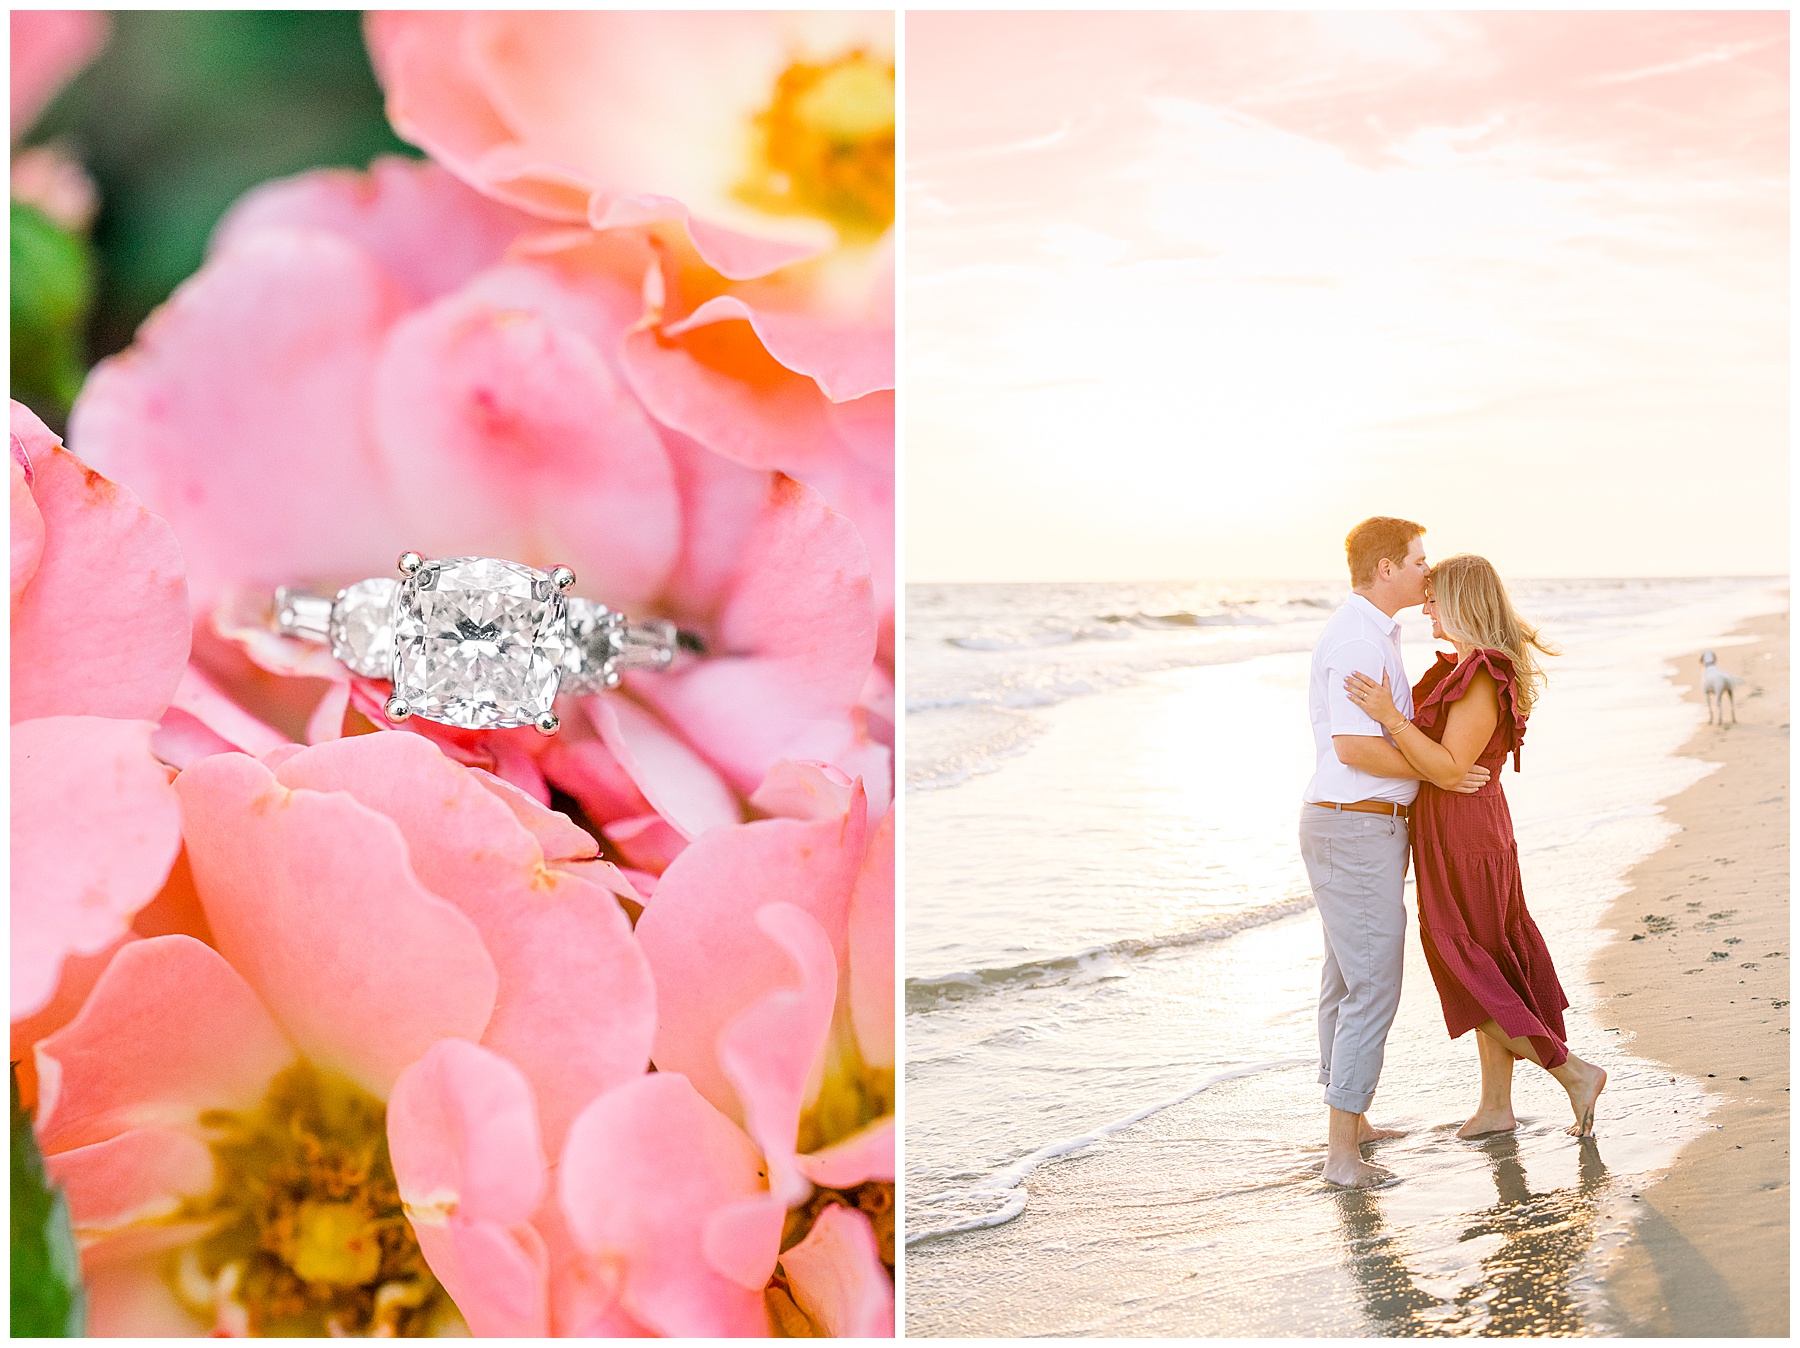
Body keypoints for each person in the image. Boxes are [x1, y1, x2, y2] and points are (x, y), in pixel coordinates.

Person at [1346, 553, 1607, 1139]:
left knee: (1464, 960)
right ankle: (1495, 1106)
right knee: (1485, 957)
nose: (1426, 607)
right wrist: (1432, 764)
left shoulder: (1483, 672)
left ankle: (1574, 1074)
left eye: (1435, 597)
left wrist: (1391, 718)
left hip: (1466, 834)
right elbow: (1440, 765)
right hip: (1452, 827)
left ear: (1461, 602)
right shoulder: (1456, 667)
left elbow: (1446, 763)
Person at [1300, 518, 1491, 1188]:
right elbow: (1353, 747)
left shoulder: (1375, 631)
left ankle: (1351, 1122)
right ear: (1386, 569)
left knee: (1347, 980)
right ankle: (1341, 1157)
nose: (1425, 571)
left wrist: (1421, 759)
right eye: (1417, 560)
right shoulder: (1358, 636)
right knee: (1374, 984)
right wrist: (1438, 770)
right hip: (1354, 825)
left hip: (1351, 823)